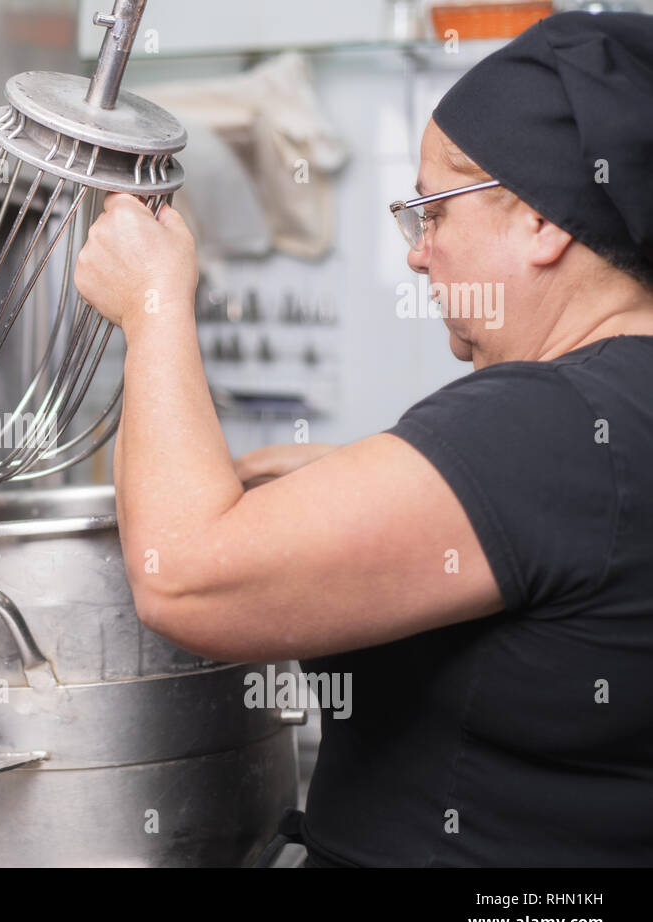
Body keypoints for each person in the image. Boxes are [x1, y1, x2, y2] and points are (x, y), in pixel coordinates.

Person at [72, 10, 653, 866]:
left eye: (436, 212)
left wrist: (154, 306)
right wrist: (351, 480)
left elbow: (181, 576)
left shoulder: (544, 423)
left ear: (541, 221)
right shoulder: (614, 409)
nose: (419, 255)